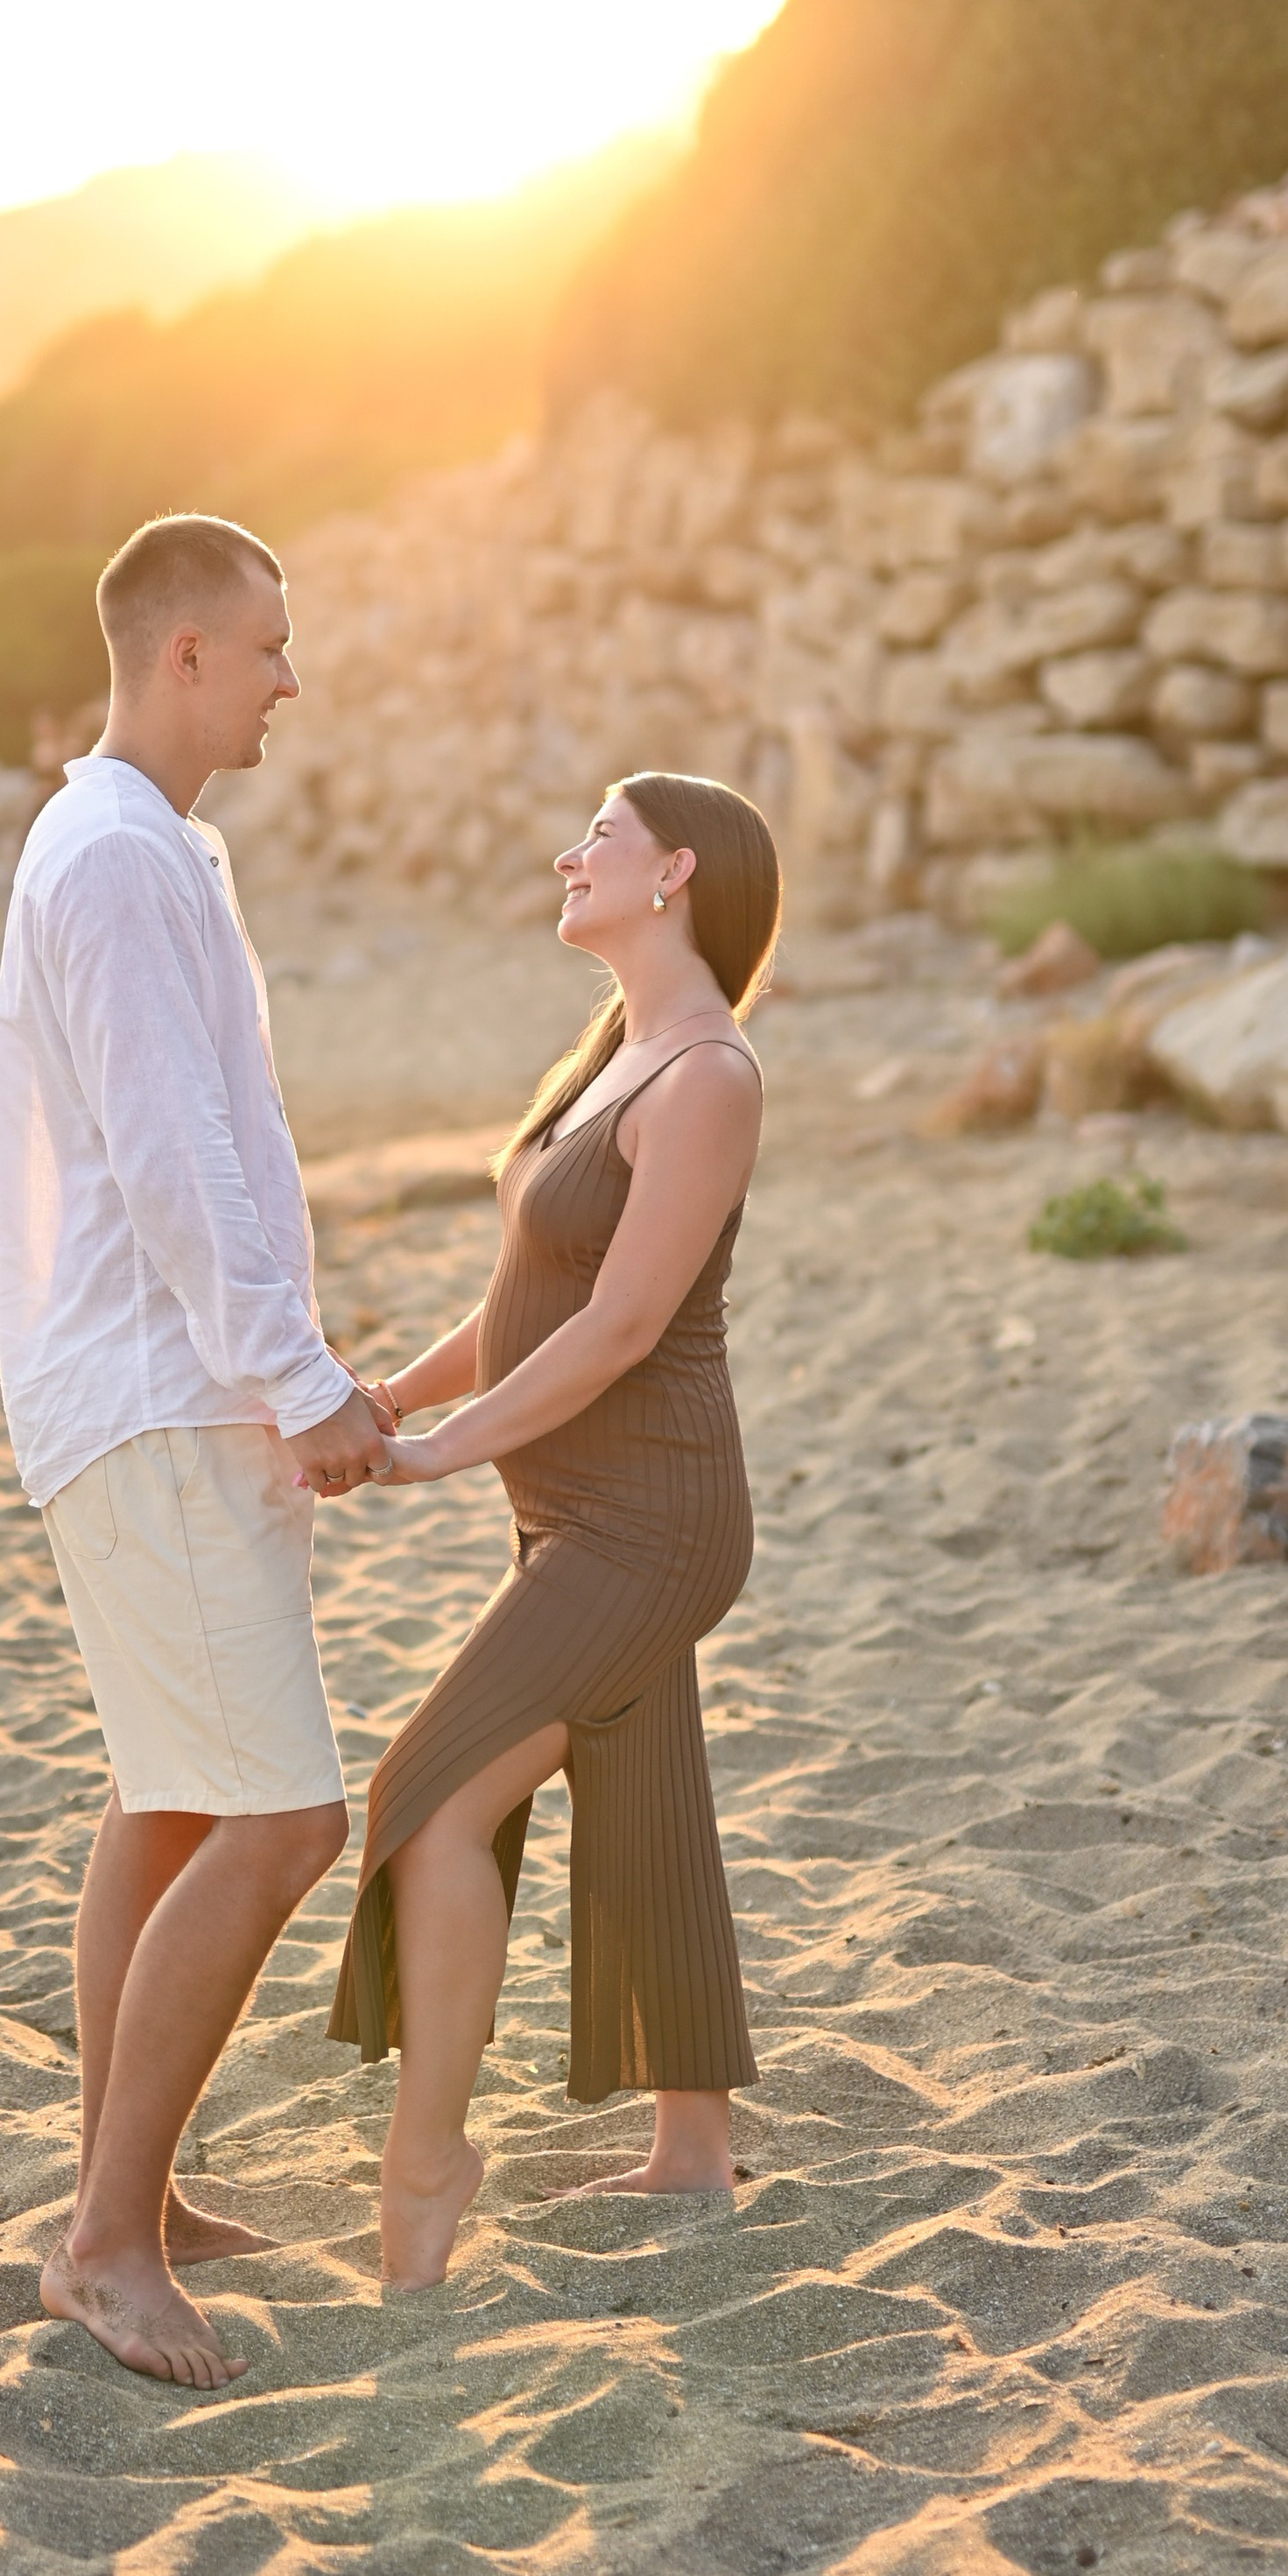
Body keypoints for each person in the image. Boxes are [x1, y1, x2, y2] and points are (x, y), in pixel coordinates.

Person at [0, 510, 391, 2387]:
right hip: (154, 1398)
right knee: (285, 1817)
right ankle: (104, 2239)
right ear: (183, 657)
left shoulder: (153, 846)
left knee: (167, 1796)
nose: (290, 680)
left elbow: (204, 1141)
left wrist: (282, 1365)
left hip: (158, 1394)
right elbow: (170, 1155)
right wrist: (293, 1378)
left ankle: (124, 2188)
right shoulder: (113, 861)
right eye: (269, 645)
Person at [320, 770, 778, 2287]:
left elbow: (628, 1321)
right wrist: (393, 1390)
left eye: (602, 836)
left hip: (649, 1515)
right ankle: (694, 2153)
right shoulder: (616, 1052)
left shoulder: (708, 1075)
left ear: (676, 875)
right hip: (578, 1503)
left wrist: (448, 1451)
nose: (568, 855)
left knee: (428, 1802)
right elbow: (532, 1292)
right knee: (644, 1786)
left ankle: (432, 2164)